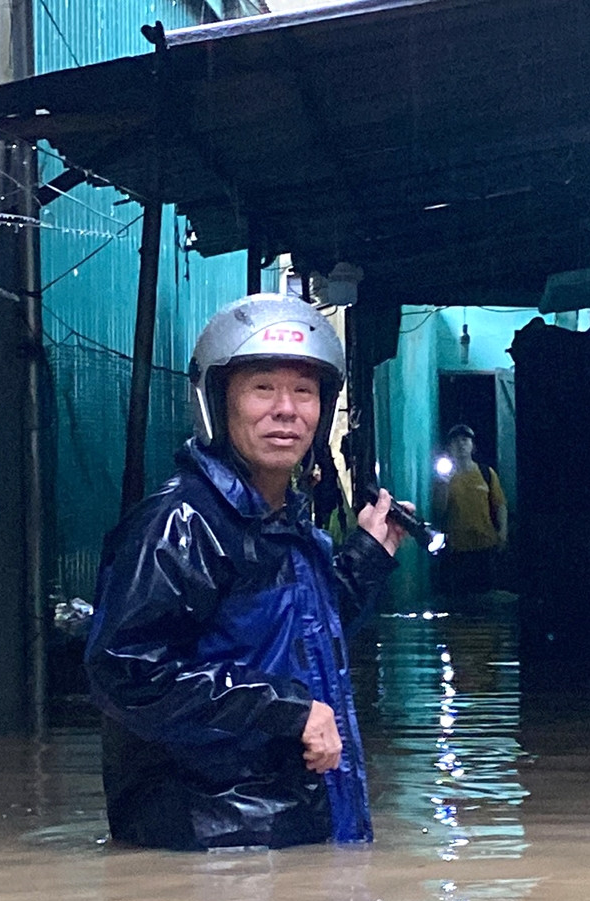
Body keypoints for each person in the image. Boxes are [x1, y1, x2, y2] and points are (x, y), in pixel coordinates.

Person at [83, 294, 407, 851]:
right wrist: (284, 707)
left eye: (304, 391)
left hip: (287, 830)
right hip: (211, 845)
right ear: (219, 400)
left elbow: (298, 634)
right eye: (263, 388)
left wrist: (369, 553)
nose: (287, 409)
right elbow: (126, 674)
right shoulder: (181, 523)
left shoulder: (286, 520)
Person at [434, 423, 507, 596]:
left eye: (465, 440)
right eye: (456, 441)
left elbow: (500, 504)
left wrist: (503, 532)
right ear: (449, 447)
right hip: (457, 550)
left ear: (473, 446)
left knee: (487, 596)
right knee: (461, 599)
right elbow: (439, 511)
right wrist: (444, 484)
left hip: (485, 546)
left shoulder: (486, 472)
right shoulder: (442, 478)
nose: (461, 444)